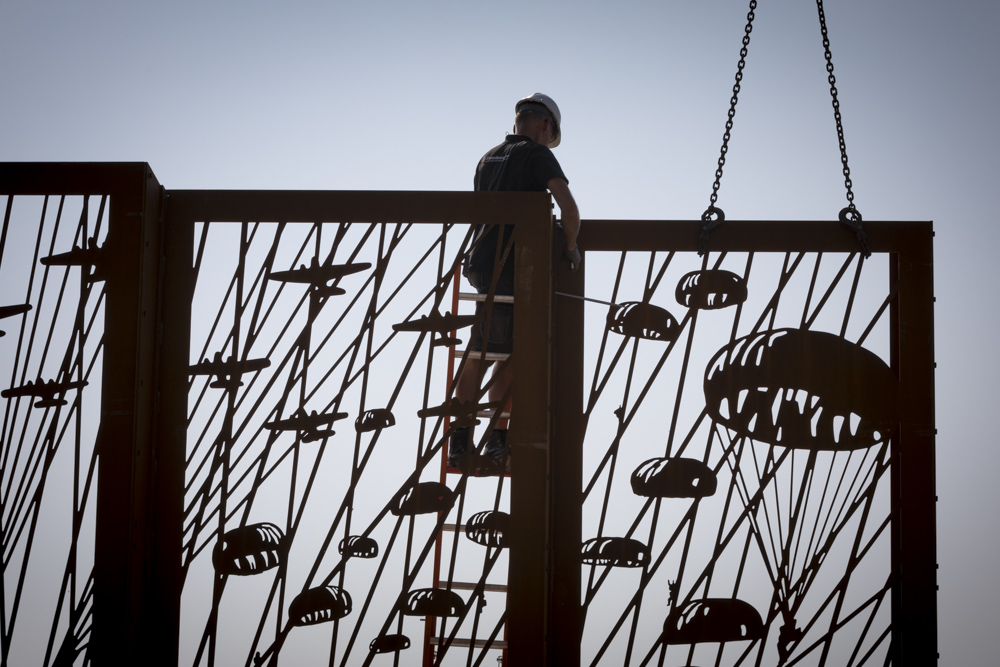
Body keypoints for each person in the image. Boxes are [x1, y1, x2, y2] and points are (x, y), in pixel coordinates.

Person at [448, 93, 581, 469]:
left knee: (483, 351)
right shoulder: (536, 155)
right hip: (514, 268)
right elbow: (569, 209)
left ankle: (466, 438)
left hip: (481, 264)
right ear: (545, 125)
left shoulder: (486, 157)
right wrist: (570, 249)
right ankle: (495, 439)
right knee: (510, 356)